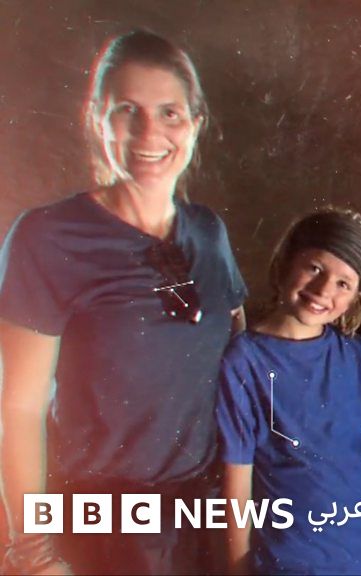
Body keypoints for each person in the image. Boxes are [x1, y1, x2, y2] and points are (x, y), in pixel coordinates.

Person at [0, 30, 247, 575]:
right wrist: (32, 552)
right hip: (101, 523)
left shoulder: (209, 233)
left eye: (169, 113)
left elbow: (237, 361)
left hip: (199, 515)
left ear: (195, 124)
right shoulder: (48, 237)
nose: (149, 133)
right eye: (127, 112)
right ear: (96, 119)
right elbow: (17, 410)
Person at [216, 207, 361, 575]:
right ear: (285, 262)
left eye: (343, 283)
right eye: (314, 268)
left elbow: (356, 460)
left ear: (356, 297)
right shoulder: (246, 361)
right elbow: (236, 486)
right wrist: (236, 569)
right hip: (292, 561)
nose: (323, 290)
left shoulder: (354, 354)